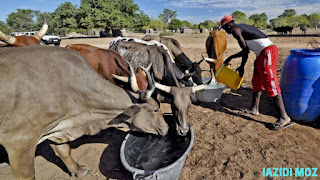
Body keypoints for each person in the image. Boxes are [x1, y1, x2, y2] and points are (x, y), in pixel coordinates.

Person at [220, 15, 292, 130]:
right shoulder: (240, 28)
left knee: (270, 82)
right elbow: (246, 50)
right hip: (261, 54)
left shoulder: (235, 30)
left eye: (224, 28)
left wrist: (241, 65)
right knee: (257, 80)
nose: (225, 31)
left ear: (229, 24)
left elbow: (245, 51)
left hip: (268, 51)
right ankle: (254, 109)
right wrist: (232, 58)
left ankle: (284, 117)